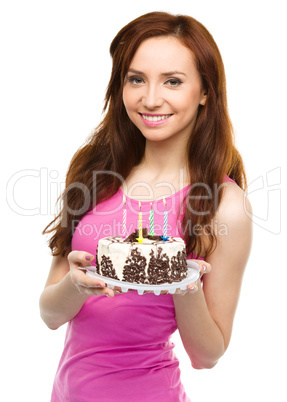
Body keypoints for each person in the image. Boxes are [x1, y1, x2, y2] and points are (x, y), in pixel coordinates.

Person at [40, 11, 252, 402]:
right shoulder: (94, 173)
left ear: (205, 91)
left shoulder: (225, 204)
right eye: (136, 79)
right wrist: (74, 284)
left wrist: (185, 284)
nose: (150, 99)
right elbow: (51, 315)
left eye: (173, 81)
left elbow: (207, 356)